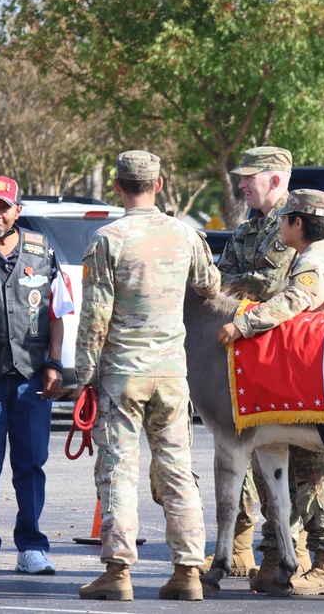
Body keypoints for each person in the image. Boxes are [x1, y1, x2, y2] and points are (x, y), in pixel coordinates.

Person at [76, 150, 221, 602]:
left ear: (117, 186)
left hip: (122, 374)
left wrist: (83, 376)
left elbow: (95, 317)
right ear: (159, 185)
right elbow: (209, 285)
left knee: (120, 471)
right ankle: (188, 571)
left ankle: (118, 573)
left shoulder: (107, 239)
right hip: (172, 374)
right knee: (177, 470)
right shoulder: (185, 234)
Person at [217, 186, 324, 596]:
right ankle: (279, 554)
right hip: (304, 379)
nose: (278, 225)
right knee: (288, 472)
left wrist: (243, 324)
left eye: (284, 219)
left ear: (299, 223)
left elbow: (296, 299)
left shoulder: (316, 260)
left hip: (319, 382)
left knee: (314, 472)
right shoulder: (312, 255)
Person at [0, 176, 74, 576]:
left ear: (17, 212)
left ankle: (31, 546)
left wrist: (54, 364)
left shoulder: (42, 252)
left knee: (30, 464)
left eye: (3, 207)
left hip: (31, 378)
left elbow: (57, 313)